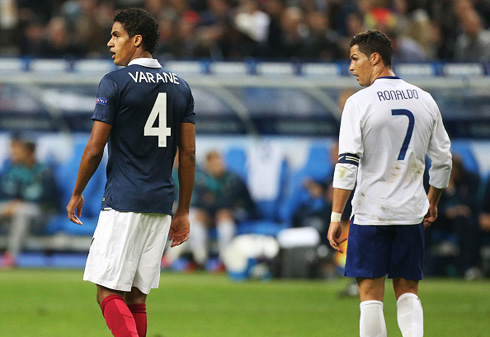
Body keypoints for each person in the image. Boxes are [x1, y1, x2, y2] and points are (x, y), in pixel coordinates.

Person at [66, 8, 195, 337]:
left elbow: (95, 147)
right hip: (161, 204)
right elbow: (189, 153)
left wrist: (78, 191)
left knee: (107, 293)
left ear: (136, 40)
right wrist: (182, 210)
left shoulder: (115, 82)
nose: (110, 43)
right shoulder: (181, 87)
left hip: (124, 201)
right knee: (137, 297)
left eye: (116, 35)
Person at [327, 30, 452, 337]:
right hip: (411, 212)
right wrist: (432, 200)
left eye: (355, 59)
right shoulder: (425, 99)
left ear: (375, 58)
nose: (351, 67)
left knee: (370, 296)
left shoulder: (359, 102)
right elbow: (444, 159)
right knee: (408, 292)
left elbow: (347, 163)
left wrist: (335, 216)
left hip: (372, 212)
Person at [189, 150, 254, 269]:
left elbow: (230, 203)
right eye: (213, 163)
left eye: (219, 162)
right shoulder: (200, 179)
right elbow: (197, 202)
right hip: (210, 215)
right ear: (207, 165)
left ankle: (225, 261)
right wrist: (211, 208)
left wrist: (212, 202)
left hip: (239, 214)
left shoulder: (234, 179)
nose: (218, 166)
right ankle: (200, 260)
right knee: (196, 218)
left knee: (225, 218)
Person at [0, 136, 58, 267]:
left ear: (29, 152)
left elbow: (48, 199)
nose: (14, 153)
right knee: (17, 211)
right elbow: (5, 193)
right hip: (12, 212)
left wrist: (19, 204)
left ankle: (11, 258)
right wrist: (12, 204)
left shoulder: (43, 171)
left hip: (40, 215)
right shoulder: (12, 170)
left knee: (23, 212)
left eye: (18, 150)